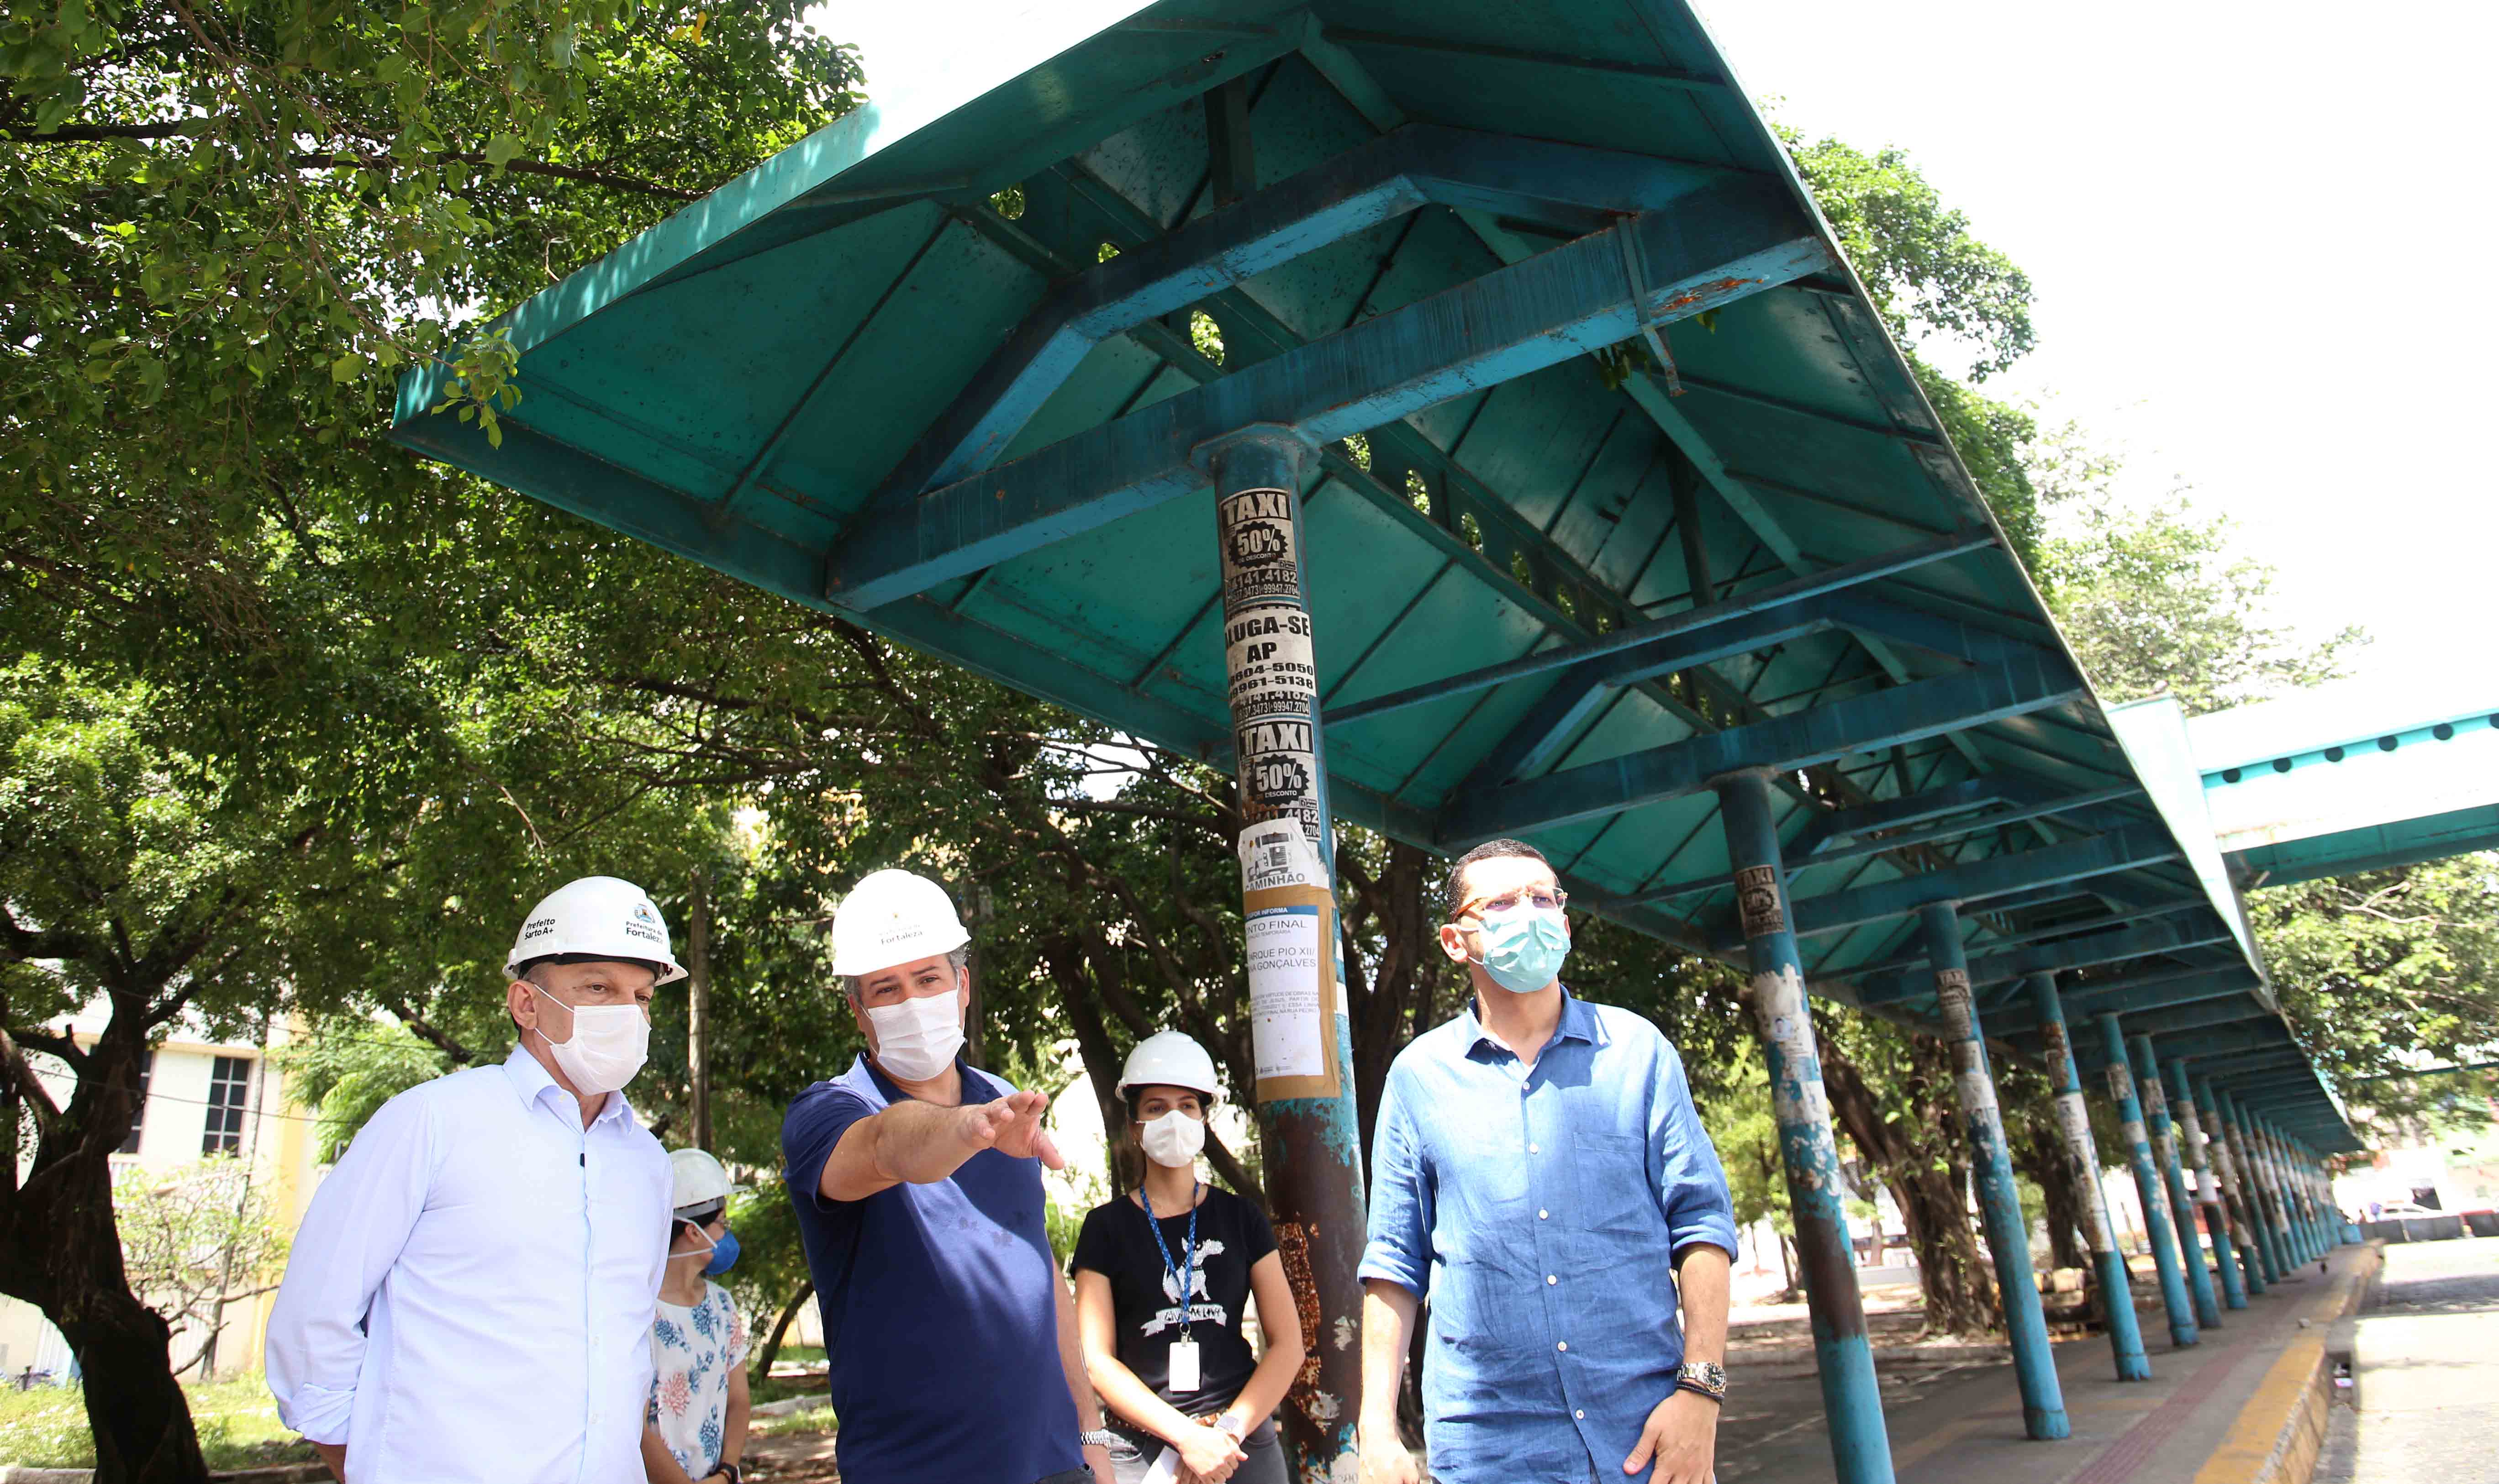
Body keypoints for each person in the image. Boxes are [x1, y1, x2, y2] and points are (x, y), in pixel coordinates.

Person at [268, 876, 683, 1483]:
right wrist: (366, 1465)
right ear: (526, 1003)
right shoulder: (432, 1123)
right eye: (598, 987)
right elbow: (311, 1323)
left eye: (642, 995)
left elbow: (624, 1351)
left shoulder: (647, 1164)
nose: (627, 1012)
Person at [1355, 839, 1739, 1484]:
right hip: (1489, 1449)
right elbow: (1395, 1262)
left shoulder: (1637, 1051)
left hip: (1645, 1438)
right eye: (1502, 902)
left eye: (1542, 898)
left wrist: (1701, 1395)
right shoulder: (1418, 1076)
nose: (1527, 913)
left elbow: (1701, 1225)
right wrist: (1377, 1429)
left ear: (1564, 925)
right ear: (1456, 940)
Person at [780, 868, 1117, 1484]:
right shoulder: (828, 1112)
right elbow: (888, 1146)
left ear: (963, 985)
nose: (912, 1000)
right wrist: (964, 1131)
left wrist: (1091, 1432)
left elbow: (1040, 1272)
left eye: (929, 977)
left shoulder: (1007, 1101)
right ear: (858, 1010)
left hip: (1055, 1464)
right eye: (886, 988)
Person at [1072, 1031, 1306, 1484]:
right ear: (1135, 1124)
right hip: (1141, 1448)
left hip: (1239, 1444)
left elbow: (1288, 1344)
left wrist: (1226, 1433)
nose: (1173, 1118)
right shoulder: (1104, 1227)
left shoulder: (1242, 1217)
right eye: (1156, 1107)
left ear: (1203, 1117)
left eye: (1187, 1105)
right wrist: (1186, 1438)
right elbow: (1097, 1362)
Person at [643, 1148, 752, 1484]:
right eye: (722, 1223)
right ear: (693, 1231)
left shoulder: (722, 1307)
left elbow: (739, 1401)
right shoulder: (639, 1313)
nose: (726, 1234)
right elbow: (637, 1426)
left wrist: (726, 1472)